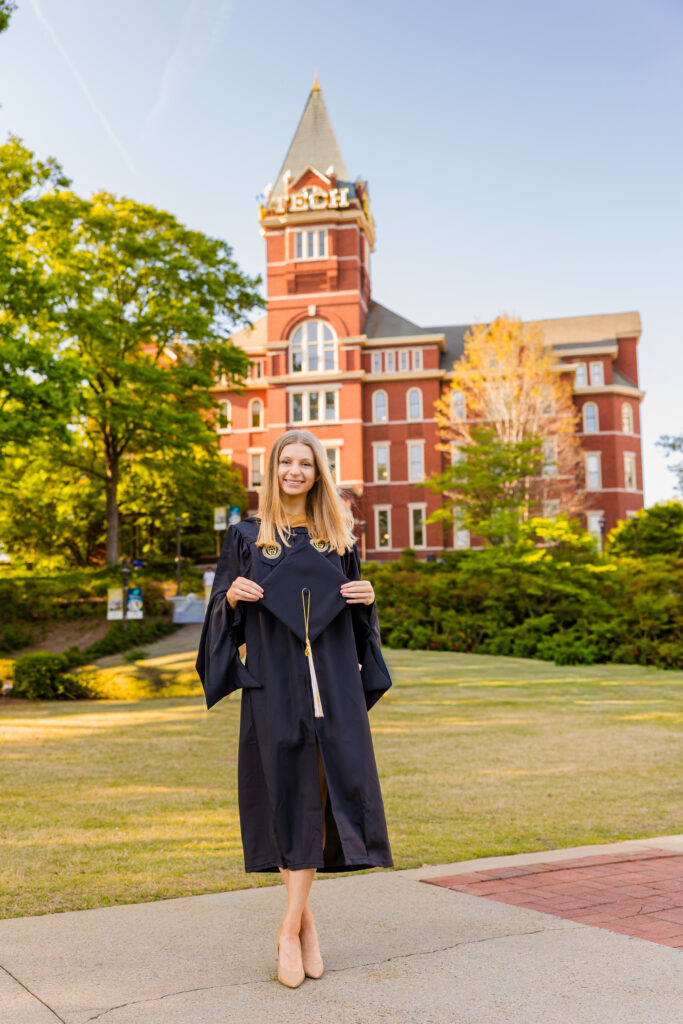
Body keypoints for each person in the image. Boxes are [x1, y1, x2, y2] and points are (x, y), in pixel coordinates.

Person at [196, 429, 393, 989]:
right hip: (275, 689)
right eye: (287, 462)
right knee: (287, 798)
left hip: (331, 688)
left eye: (307, 464)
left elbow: (357, 622)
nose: (296, 471)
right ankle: (302, 928)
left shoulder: (340, 540)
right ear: (273, 470)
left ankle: (289, 926)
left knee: (321, 796)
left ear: (318, 473)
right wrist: (232, 597)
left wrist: (367, 599)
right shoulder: (246, 538)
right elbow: (220, 618)